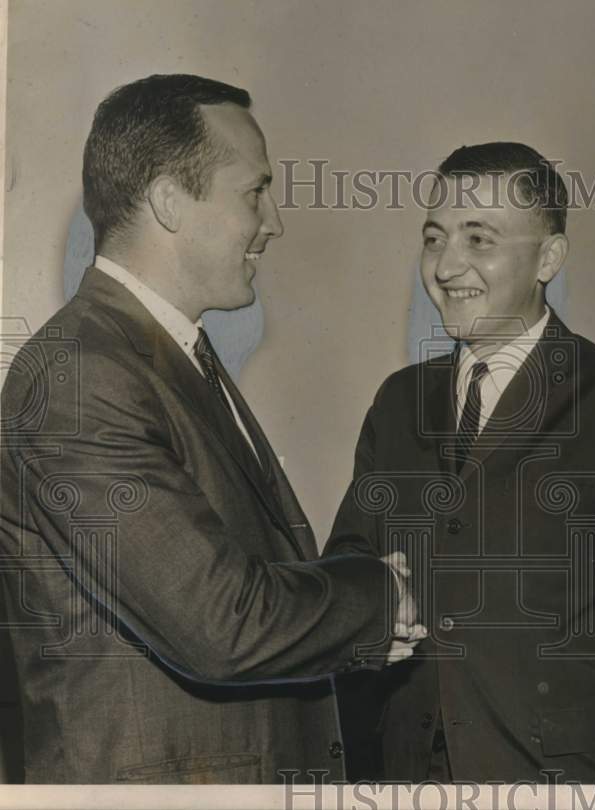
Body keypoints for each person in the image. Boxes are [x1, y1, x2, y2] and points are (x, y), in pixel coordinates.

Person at [0, 74, 421, 785]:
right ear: (169, 200)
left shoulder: (164, 355)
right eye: (255, 191)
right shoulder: (79, 380)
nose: (274, 221)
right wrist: (379, 596)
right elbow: (221, 625)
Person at [327, 142, 595, 783]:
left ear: (549, 257)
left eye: (479, 239)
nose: (447, 266)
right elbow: (351, 576)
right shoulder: (397, 403)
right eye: (434, 238)